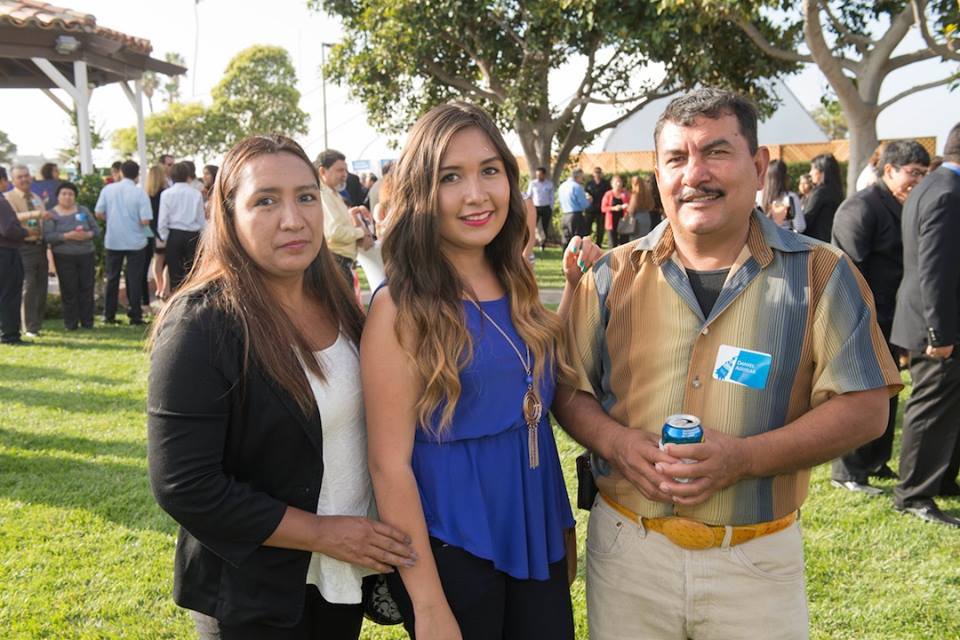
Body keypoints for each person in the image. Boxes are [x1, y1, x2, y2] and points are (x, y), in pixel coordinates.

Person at [552, 88, 900, 639]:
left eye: (716, 152)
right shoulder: (612, 275)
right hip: (627, 554)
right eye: (676, 158)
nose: (695, 174)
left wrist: (744, 458)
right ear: (658, 175)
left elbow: (864, 408)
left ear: (758, 166)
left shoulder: (822, 275)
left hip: (755, 561)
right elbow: (569, 388)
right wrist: (616, 444)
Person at [147, 134, 416, 640]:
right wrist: (322, 534)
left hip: (336, 581)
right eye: (265, 200)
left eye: (306, 197)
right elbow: (184, 485)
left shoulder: (333, 297)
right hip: (256, 593)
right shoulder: (202, 323)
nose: (293, 219)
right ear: (228, 215)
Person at [362, 102, 580, 640]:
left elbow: (533, 394)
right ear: (420, 192)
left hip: (538, 528)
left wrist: (562, 530)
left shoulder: (517, 280)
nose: (476, 194)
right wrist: (429, 604)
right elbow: (389, 465)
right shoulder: (400, 307)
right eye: (450, 177)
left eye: (489, 170)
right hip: (453, 541)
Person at [830, 140, 930, 494]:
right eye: (912, 173)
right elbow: (850, 270)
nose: (918, 181)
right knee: (860, 394)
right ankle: (848, 471)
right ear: (889, 171)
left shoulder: (903, 205)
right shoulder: (861, 207)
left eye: (923, 173)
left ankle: (874, 461)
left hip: (892, 317)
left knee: (888, 392)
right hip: (864, 316)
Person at [890, 123, 960, 528]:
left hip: (933, 317)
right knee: (929, 410)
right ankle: (913, 494)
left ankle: (941, 478)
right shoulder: (947, 193)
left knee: (947, 409)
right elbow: (934, 268)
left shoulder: (932, 187)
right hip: (935, 323)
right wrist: (940, 333)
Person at [94, 160, 152, 325]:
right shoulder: (139, 193)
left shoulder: (108, 189)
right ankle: (135, 314)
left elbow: (98, 213)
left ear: (121, 172)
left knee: (112, 278)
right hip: (136, 241)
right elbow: (146, 220)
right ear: (137, 174)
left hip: (114, 240)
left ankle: (109, 314)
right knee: (134, 278)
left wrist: (111, 219)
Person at [43, 182, 99, 330]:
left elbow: (96, 230)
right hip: (64, 256)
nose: (67, 197)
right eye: (64, 194)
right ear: (58, 196)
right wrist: (67, 236)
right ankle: (71, 323)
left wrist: (87, 234)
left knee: (87, 288)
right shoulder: (51, 214)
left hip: (86, 254)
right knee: (69, 289)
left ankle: (88, 322)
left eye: (71, 194)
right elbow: (48, 236)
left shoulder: (83, 210)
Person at [315, 150, 374, 290]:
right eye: (340, 170)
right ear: (323, 171)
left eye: (346, 170)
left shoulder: (334, 194)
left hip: (341, 263)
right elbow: (334, 233)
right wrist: (362, 232)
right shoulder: (324, 196)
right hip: (336, 263)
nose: (344, 175)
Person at [4, 165, 52, 337]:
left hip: (40, 246)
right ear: (13, 180)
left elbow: (42, 216)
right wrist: (35, 214)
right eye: (20, 177)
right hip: (23, 247)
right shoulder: (8, 198)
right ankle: (28, 327)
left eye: (26, 175)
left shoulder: (36, 197)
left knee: (41, 286)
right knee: (28, 286)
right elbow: (11, 218)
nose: (24, 179)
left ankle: (36, 325)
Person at [158, 161, 206, 293]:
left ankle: (176, 303)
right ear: (187, 176)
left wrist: (165, 236)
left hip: (174, 235)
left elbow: (163, 219)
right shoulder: (195, 194)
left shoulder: (166, 194)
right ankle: (192, 302)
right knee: (193, 273)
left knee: (175, 274)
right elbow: (201, 219)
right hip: (192, 235)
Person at [0, 192, 28, 345]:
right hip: (6, 252)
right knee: (9, 294)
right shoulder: (2, 202)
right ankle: (10, 335)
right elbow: (9, 229)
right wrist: (25, 232)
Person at [802, 153, 843, 242]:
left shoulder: (819, 193)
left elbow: (805, 221)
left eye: (813, 169)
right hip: (831, 242)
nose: (810, 173)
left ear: (821, 171)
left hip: (816, 244)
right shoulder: (836, 190)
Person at [759, 159, 805, 233]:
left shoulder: (760, 197)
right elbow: (800, 226)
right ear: (784, 177)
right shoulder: (791, 198)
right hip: (785, 240)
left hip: (765, 239)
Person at [145, 165, 167, 302]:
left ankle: (159, 287)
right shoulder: (165, 193)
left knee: (157, 260)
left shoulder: (146, 195)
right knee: (167, 261)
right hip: (164, 231)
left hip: (151, 232)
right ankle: (165, 287)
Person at [558, 168, 590, 246]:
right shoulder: (577, 187)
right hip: (575, 216)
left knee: (566, 240)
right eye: (582, 177)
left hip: (565, 215)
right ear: (577, 176)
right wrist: (589, 200)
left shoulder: (562, 186)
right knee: (578, 240)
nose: (583, 179)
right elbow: (584, 204)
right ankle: (578, 257)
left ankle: (565, 256)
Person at [525, 167, 554, 250]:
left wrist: (551, 207)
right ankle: (529, 243)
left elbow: (551, 197)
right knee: (531, 226)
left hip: (546, 207)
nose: (538, 176)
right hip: (535, 207)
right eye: (537, 175)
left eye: (540, 175)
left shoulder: (549, 184)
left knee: (545, 227)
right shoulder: (533, 183)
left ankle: (543, 244)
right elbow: (529, 195)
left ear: (544, 175)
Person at [600, 174, 630, 248]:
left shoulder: (625, 194)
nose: (618, 184)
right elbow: (603, 208)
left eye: (620, 182)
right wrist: (613, 208)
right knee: (613, 243)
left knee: (624, 243)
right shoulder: (608, 194)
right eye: (616, 182)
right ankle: (612, 259)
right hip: (612, 222)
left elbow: (631, 204)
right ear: (612, 184)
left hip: (623, 221)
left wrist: (626, 206)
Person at [584, 167, 610, 247]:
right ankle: (586, 243)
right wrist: (587, 195)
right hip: (590, 209)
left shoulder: (606, 184)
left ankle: (599, 244)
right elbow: (585, 192)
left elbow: (609, 194)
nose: (597, 174)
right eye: (596, 172)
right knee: (587, 227)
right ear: (593, 174)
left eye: (599, 172)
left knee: (600, 228)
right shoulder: (589, 184)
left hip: (601, 209)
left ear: (601, 174)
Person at [624, 174, 655, 241]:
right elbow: (652, 205)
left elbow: (631, 210)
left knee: (635, 242)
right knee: (645, 241)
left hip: (637, 219)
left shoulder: (635, 195)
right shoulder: (647, 194)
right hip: (646, 217)